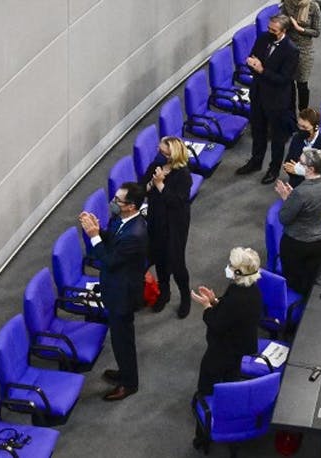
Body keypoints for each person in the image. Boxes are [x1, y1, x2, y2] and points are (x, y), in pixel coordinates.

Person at [79, 182, 148, 401]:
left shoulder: (135, 234)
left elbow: (109, 261)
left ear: (131, 206)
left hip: (123, 296)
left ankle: (129, 384)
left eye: (118, 201)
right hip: (115, 288)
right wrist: (100, 232)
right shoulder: (123, 220)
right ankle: (124, 372)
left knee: (122, 341)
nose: (113, 203)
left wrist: (93, 236)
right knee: (119, 340)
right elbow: (114, 239)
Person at [191, 247, 263, 449]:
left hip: (221, 351)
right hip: (238, 349)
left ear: (239, 272)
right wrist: (214, 301)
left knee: (206, 387)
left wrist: (207, 307)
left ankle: (203, 437)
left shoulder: (237, 297)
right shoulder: (249, 290)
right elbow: (229, 311)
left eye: (232, 266)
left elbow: (216, 322)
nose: (229, 268)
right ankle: (228, 417)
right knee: (231, 383)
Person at [236, 15, 300, 185]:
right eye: (269, 28)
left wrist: (262, 70)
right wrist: (251, 61)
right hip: (258, 94)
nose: (270, 32)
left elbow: (284, 79)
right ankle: (255, 161)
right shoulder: (264, 37)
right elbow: (253, 55)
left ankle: (273, 169)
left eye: (274, 30)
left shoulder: (291, 50)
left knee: (278, 138)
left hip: (277, 100)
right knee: (258, 131)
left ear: (283, 31)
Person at [143, 136, 193, 318]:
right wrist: (151, 184)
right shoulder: (155, 166)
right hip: (156, 219)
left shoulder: (183, 175)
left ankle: (185, 296)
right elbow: (142, 188)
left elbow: (177, 202)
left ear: (173, 155)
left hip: (175, 224)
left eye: (163, 152)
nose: (160, 155)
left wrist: (160, 185)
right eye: (160, 151)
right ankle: (164, 293)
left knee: (177, 262)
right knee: (159, 258)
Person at [274, 148, 321, 295]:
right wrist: (293, 199)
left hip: (299, 242)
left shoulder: (301, 192)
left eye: (301, 163)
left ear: (310, 169)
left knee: (295, 279)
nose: (297, 165)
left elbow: (284, 218)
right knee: (313, 272)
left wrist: (287, 199)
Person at [279, 0, 321, 109]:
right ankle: (290, 111)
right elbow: (282, 23)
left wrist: (299, 28)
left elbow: (317, 32)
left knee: (302, 83)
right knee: (288, 81)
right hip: (288, 46)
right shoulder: (288, 3)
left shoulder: (313, 7)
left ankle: (303, 112)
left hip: (304, 49)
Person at [282, 107, 321, 187]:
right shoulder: (296, 138)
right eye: (299, 125)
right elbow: (288, 162)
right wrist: (291, 169)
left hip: (315, 188)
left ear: (316, 127)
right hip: (296, 184)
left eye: (304, 127)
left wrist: (301, 171)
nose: (300, 130)